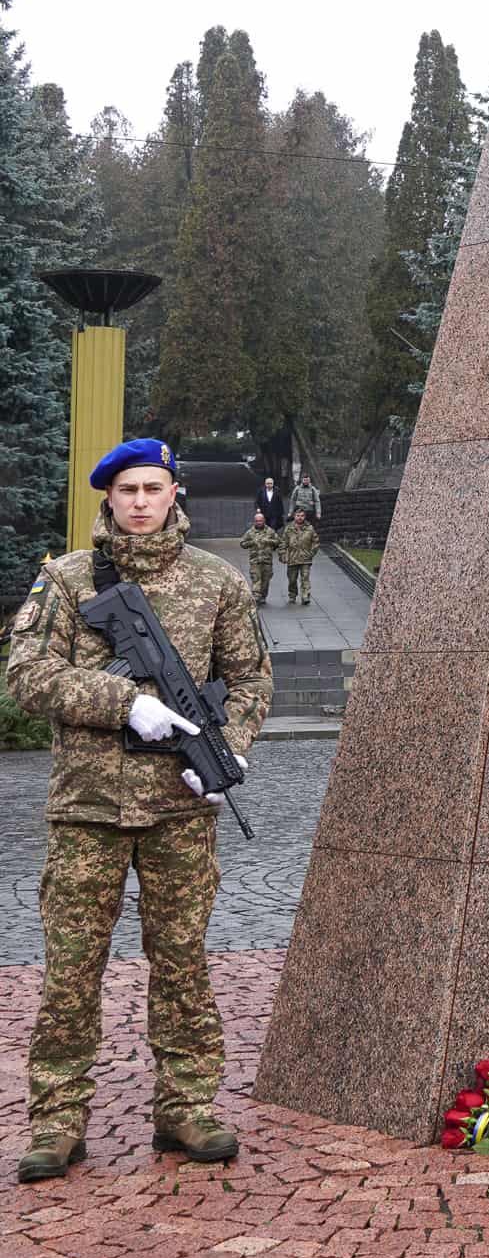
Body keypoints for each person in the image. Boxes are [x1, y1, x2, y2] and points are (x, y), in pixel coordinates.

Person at [6, 439, 271, 1180]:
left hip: (178, 813)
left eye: (154, 488)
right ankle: (58, 1121)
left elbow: (249, 679)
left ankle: (185, 1108)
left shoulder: (217, 581)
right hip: (86, 812)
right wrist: (126, 702)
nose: (142, 502)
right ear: (110, 498)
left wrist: (234, 751)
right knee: (69, 970)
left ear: (174, 495)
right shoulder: (67, 579)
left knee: (182, 964)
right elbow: (26, 676)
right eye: (128, 490)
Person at [277, 505, 320, 606]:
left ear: (304, 517)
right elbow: (283, 543)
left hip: (305, 559)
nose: (300, 517)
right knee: (292, 579)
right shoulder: (289, 529)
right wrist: (282, 554)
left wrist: (311, 553)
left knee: (305, 578)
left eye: (302, 515)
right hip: (292, 558)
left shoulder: (310, 528)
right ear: (294, 516)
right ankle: (292, 594)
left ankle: (305, 596)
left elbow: (316, 542)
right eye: (297, 515)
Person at [239, 509, 278, 604]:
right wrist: (252, 542)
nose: (259, 522)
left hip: (267, 561)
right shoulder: (250, 532)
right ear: (254, 521)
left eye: (260, 521)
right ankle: (256, 596)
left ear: (264, 521)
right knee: (256, 579)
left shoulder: (270, 531)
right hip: (255, 561)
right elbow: (242, 543)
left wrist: (268, 541)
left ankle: (263, 596)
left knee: (265, 580)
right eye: (257, 521)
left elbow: (278, 542)